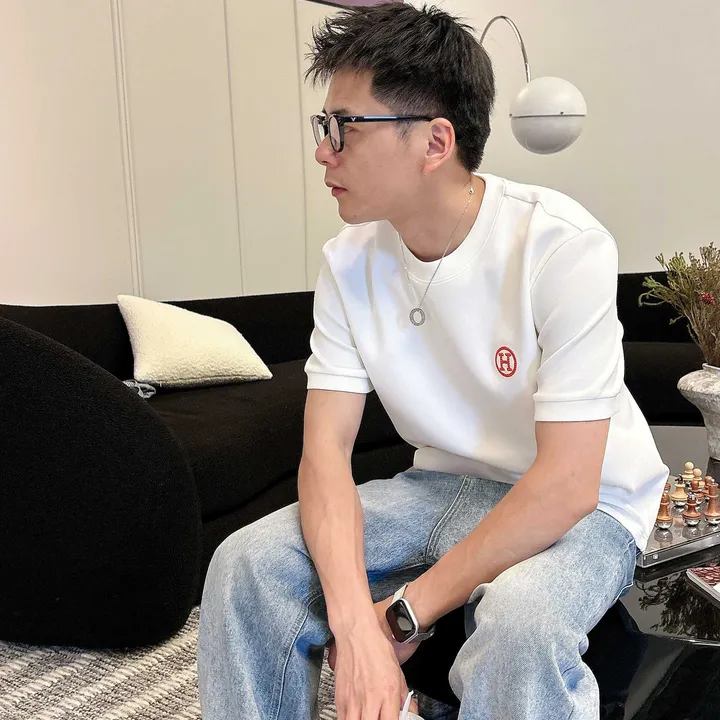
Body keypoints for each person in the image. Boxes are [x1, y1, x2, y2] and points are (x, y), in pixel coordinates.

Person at [197, 4, 669, 719]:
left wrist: (402, 616)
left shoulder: (562, 246)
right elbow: (324, 455)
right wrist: (354, 628)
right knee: (246, 564)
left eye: (344, 127)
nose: (323, 151)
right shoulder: (348, 263)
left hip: (589, 502)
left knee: (520, 627)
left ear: (435, 142)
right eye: (323, 126)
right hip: (439, 485)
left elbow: (568, 483)